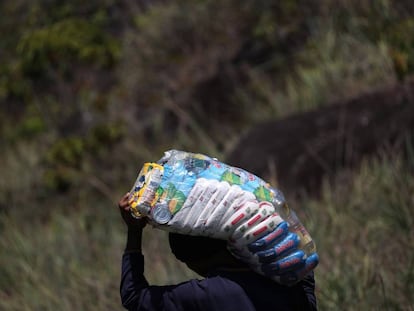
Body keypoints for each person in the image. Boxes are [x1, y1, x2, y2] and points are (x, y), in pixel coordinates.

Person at [118, 193, 317, 311]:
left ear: (189, 261)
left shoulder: (203, 295)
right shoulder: (283, 276)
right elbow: (305, 271)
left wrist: (134, 232)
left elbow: (134, 297)